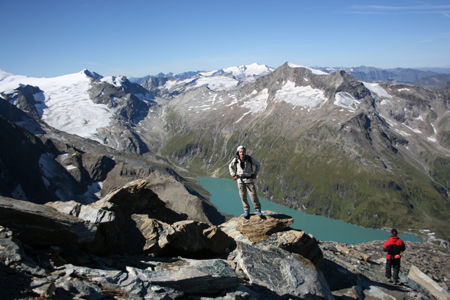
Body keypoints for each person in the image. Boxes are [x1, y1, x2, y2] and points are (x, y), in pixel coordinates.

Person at [228, 145, 262, 219]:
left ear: (245, 152)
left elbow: (258, 165)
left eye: (243, 151)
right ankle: (246, 211)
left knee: (253, 196)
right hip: (240, 181)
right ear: (238, 153)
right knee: (243, 197)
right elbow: (230, 166)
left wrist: (255, 174)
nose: (242, 153)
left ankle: (258, 210)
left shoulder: (249, 158)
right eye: (240, 152)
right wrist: (233, 174)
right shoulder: (235, 160)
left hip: (249, 180)